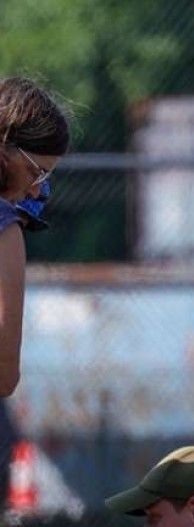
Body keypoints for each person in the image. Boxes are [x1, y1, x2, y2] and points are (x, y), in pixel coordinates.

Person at [0, 77, 69, 397]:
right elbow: (3, 375)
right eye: (36, 171)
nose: (37, 188)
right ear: (4, 147)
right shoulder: (4, 228)